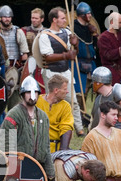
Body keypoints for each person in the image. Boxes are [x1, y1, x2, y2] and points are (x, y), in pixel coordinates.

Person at [38, 6, 85, 137]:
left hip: (65, 71)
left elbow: (74, 54)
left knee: (73, 101)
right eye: (63, 18)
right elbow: (47, 56)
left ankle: (79, 129)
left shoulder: (68, 32)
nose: (65, 20)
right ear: (54, 19)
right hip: (51, 72)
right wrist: (65, 56)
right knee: (51, 101)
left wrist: (76, 44)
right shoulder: (44, 35)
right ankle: (48, 128)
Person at [36, 74, 74, 153]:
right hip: (36, 147)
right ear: (56, 90)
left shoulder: (65, 106)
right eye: (65, 89)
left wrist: (62, 152)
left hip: (55, 149)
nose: (67, 92)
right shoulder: (36, 102)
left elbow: (66, 128)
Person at [73, 2, 98, 109]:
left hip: (90, 63)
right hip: (78, 62)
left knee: (94, 88)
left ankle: (87, 115)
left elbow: (96, 47)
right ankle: (79, 115)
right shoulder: (73, 28)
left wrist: (95, 34)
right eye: (88, 14)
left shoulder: (90, 28)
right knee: (79, 91)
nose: (90, 16)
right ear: (82, 15)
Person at [21, 8, 46, 94]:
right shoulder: (24, 31)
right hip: (28, 63)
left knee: (42, 89)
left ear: (42, 19)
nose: (33, 20)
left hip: (42, 64)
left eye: (36, 18)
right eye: (32, 18)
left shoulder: (47, 32)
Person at [89, 66, 114, 131]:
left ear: (98, 84)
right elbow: (93, 120)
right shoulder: (98, 99)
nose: (92, 84)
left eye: (94, 82)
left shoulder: (116, 96)